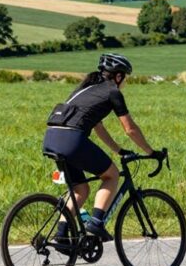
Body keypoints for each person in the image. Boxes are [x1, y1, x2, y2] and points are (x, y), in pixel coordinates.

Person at [43, 53, 163, 243]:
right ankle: (96, 223)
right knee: (111, 175)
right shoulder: (112, 92)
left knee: (80, 189)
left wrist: (119, 150)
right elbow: (130, 129)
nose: (125, 82)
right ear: (118, 76)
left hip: (51, 138)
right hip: (72, 140)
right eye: (125, 77)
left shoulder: (87, 89)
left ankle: (61, 234)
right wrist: (151, 152)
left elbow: (98, 126)